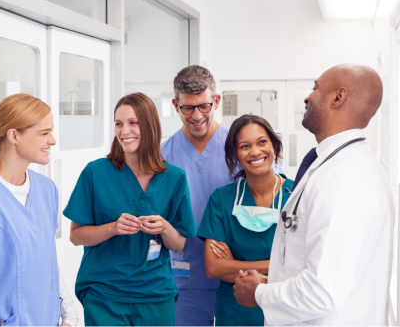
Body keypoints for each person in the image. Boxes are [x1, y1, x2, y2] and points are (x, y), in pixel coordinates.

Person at [233, 64, 394, 327]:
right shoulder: (342, 164)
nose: (308, 97)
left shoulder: (341, 178)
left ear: (338, 97)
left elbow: (323, 290)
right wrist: (273, 282)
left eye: (316, 88)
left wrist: (260, 294)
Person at [161, 65, 282, 327]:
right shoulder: (163, 155)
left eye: (204, 106)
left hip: (242, 273)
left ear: (216, 100)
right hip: (185, 276)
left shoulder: (242, 144)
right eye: (188, 108)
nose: (197, 115)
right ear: (175, 105)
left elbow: (275, 192)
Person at [63, 92, 197, 327]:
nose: (125, 131)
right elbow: (75, 236)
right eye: (119, 124)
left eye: (133, 123)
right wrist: (112, 228)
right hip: (105, 293)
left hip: (155, 294)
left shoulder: (174, 177)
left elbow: (179, 243)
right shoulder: (95, 173)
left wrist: (165, 227)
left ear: (150, 125)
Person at [0, 94, 78, 327]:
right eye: (44, 133)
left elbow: (47, 259)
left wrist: (69, 314)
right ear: (14, 135)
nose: (53, 140)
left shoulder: (47, 189)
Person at [197, 115, 294, 326]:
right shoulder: (221, 199)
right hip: (235, 312)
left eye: (262, 142)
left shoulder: (297, 194)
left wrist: (235, 266)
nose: (255, 152)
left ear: (274, 145)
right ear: (235, 154)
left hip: (285, 310)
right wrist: (279, 267)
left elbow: (306, 267)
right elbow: (213, 268)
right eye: (244, 146)